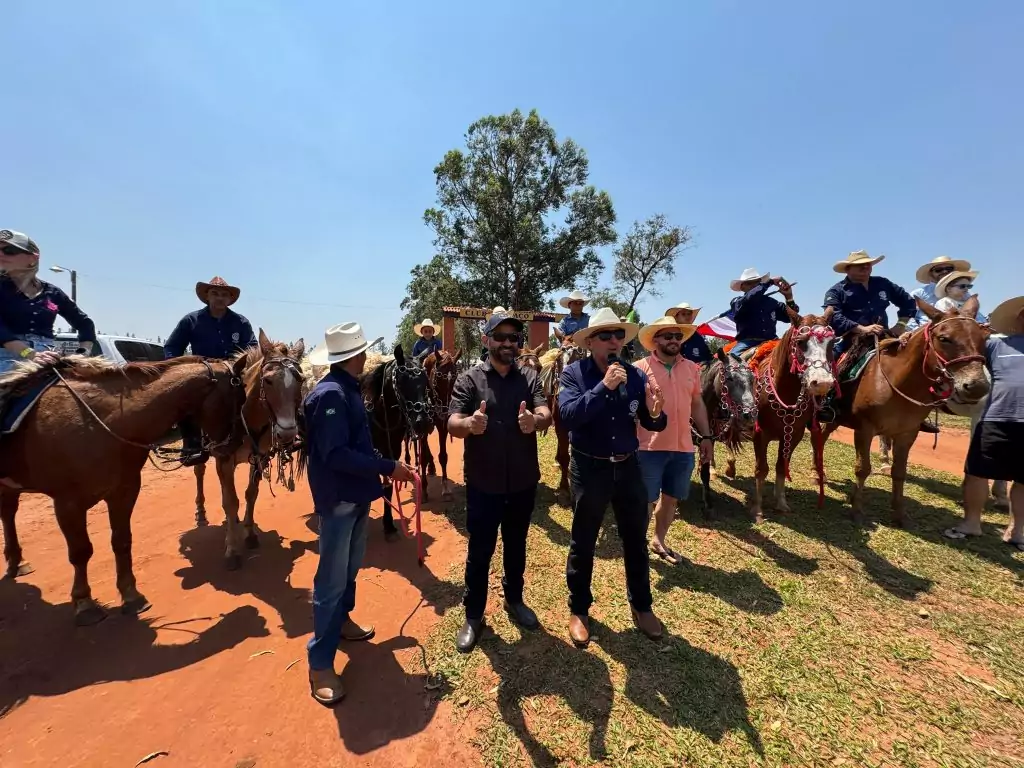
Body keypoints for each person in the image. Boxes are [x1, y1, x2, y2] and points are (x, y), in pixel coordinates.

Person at [303, 321, 417, 706]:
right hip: (339, 501)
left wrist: (382, 466)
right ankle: (320, 662)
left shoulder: (347, 390)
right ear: (354, 356)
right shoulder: (331, 396)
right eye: (363, 350)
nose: (367, 355)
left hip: (354, 498)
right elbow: (335, 455)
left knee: (349, 569)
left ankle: (344, 622)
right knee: (331, 580)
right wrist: (387, 467)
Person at [558, 307, 667, 646]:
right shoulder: (574, 374)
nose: (614, 341)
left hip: (628, 466)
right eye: (605, 336)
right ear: (590, 342)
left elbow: (651, 425)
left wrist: (655, 413)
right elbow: (568, 417)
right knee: (584, 541)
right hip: (590, 467)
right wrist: (603, 388)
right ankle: (579, 609)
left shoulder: (635, 376)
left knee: (635, 539)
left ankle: (642, 606)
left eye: (618, 335)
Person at [447, 312, 552, 652]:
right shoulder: (469, 380)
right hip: (483, 482)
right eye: (501, 336)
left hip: (522, 480)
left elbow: (545, 412)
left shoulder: (530, 378)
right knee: (480, 551)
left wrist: (533, 420)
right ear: (486, 339)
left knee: (516, 545)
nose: (509, 343)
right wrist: (469, 425)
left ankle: (514, 599)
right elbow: (452, 421)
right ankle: (474, 614)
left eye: (515, 338)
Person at [943, 296, 1024, 551]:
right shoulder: (996, 345)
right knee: (977, 473)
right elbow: (963, 344)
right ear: (1019, 318)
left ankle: (1018, 531)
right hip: (996, 418)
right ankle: (971, 523)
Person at [634, 317, 714, 564]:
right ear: (655, 340)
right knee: (645, 500)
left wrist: (707, 436)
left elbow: (697, 403)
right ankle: (637, 547)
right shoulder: (640, 368)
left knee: (671, 498)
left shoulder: (692, 368)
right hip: (649, 447)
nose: (674, 341)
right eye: (668, 336)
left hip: (683, 448)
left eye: (678, 337)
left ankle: (659, 539)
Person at [820, 250, 921, 425]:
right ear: (848, 269)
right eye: (860, 265)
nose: (866, 267)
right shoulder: (836, 291)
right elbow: (834, 315)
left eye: (868, 264)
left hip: (885, 336)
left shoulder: (883, 284)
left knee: (912, 362)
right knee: (832, 365)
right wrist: (861, 328)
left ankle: (915, 410)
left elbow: (908, 302)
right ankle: (827, 404)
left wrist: (901, 325)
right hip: (851, 340)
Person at [164, 276, 256, 465]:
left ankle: (253, 439)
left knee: (256, 397)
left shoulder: (241, 322)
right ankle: (192, 445)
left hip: (234, 375)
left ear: (230, 299)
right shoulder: (191, 320)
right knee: (186, 401)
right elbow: (172, 347)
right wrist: (179, 368)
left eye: (224, 294)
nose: (219, 298)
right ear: (207, 296)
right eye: (215, 293)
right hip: (203, 376)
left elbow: (253, 348)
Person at [0, 230, 95, 374]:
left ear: (32, 258)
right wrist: (30, 354)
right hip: (6, 359)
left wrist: (82, 354)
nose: (1, 254)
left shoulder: (53, 292)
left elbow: (84, 323)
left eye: (9, 250)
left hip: (49, 358)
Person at [726, 268, 798, 359]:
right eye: (749, 283)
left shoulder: (772, 302)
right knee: (730, 364)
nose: (754, 285)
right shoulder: (737, 302)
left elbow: (791, 318)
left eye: (757, 282)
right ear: (742, 287)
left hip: (772, 341)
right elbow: (750, 298)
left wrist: (789, 297)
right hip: (746, 343)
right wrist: (770, 282)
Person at [906, 255, 974, 331]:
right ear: (931, 274)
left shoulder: (964, 293)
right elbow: (908, 315)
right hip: (926, 333)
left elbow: (973, 314)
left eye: (949, 269)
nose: (944, 271)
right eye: (938, 270)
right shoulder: (918, 293)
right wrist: (919, 332)